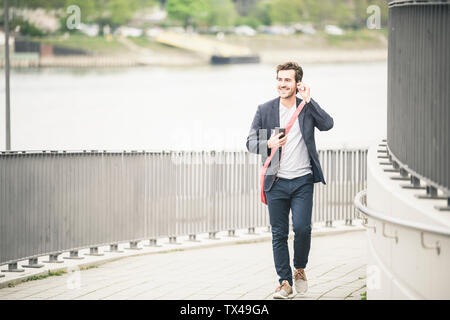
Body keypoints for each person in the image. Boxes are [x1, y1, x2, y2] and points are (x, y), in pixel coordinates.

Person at [246, 62, 334, 299]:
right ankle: (284, 282)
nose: (282, 84)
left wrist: (310, 100)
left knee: (303, 228)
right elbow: (250, 142)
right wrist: (268, 143)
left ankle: (300, 268)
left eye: (287, 80)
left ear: (297, 83)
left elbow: (327, 124)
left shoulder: (306, 108)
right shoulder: (265, 110)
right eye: (279, 79)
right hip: (276, 181)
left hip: (303, 180)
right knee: (279, 233)